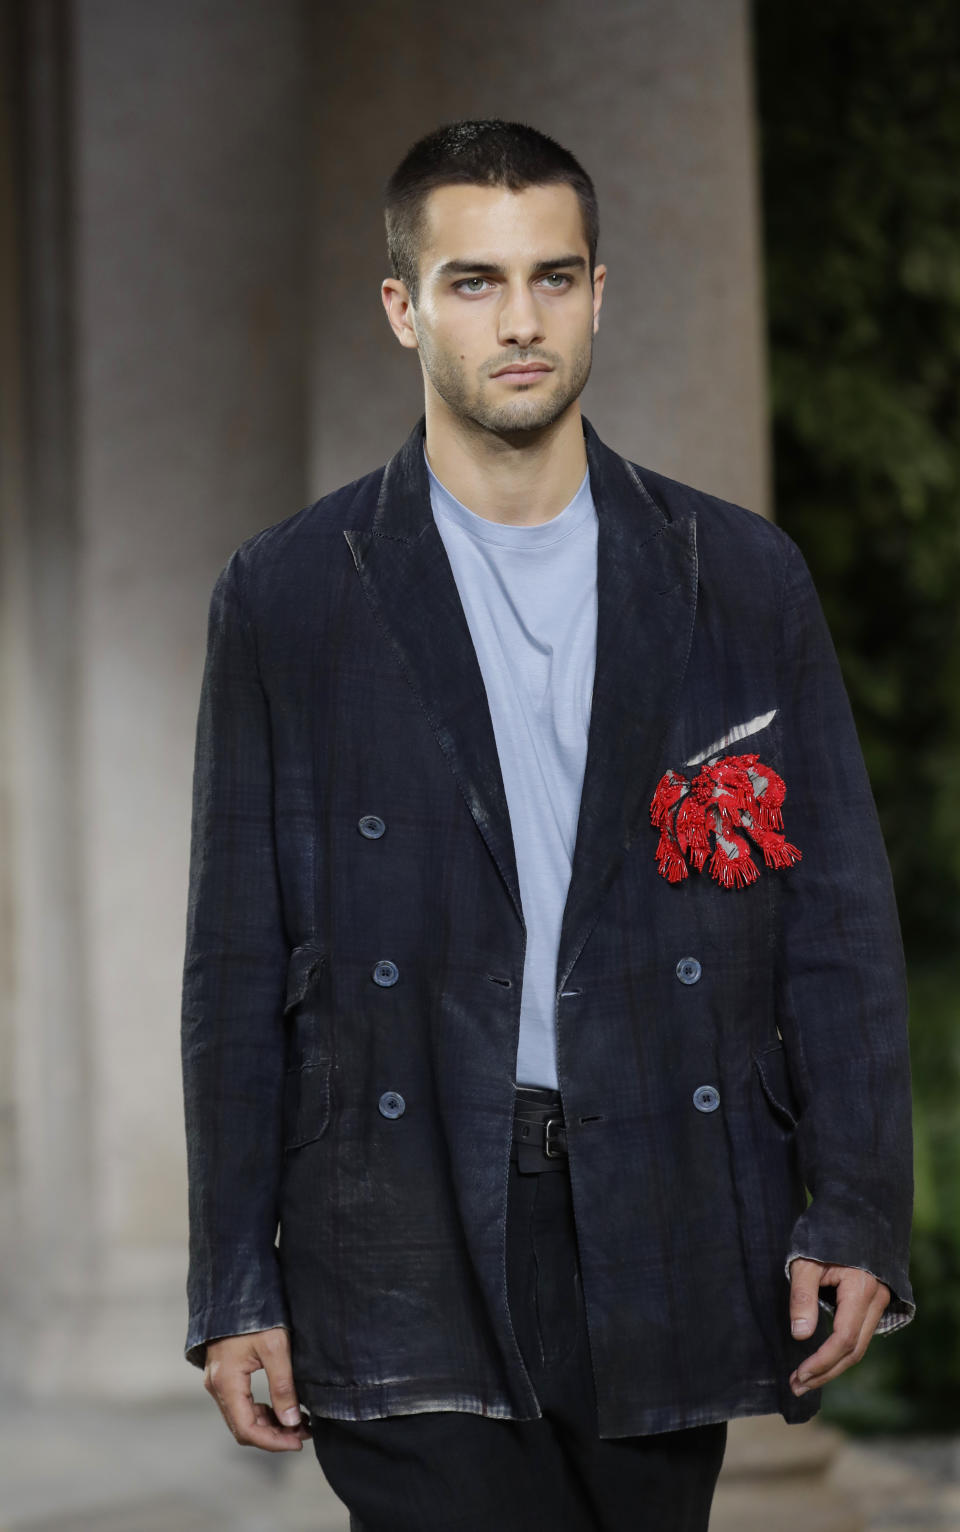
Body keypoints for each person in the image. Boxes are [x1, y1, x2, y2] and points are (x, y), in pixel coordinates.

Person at [180, 119, 915, 1531]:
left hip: (670, 1192)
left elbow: (835, 922)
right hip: (398, 1210)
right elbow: (234, 962)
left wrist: (858, 1203)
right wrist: (233, 1284)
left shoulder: (738, 576)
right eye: (473, 281)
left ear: (599, 291)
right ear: (403, 307)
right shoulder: (287, 595)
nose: (519, 321)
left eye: (553, 277)